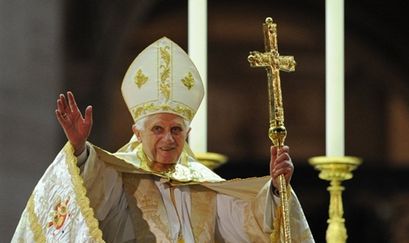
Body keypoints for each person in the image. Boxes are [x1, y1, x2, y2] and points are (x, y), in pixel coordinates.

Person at [12, 37, 314, 242]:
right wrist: (79, 149)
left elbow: (249, 224)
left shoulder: (203, 185)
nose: (168, 139)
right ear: (137, 133)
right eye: (158, 129)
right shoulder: (121, 179)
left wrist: (275, 187)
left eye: (176, 130)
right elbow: (91, 197)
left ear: (188, 134)